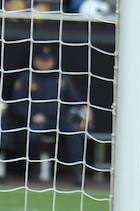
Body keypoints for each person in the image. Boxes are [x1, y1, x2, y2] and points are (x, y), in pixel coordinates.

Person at [6, 46, 87, 184]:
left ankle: (77, 173)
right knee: (33, 135)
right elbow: (16, 104)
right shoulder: (26, 77)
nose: (45, 63)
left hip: (59, 119)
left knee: (73, 133)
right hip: (36, 120)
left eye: (47, 60)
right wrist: (31, 116)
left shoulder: (61, 78)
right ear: (35, 60)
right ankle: (34, 169)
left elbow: (75, 99)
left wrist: (85, 108)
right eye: (41, 60)